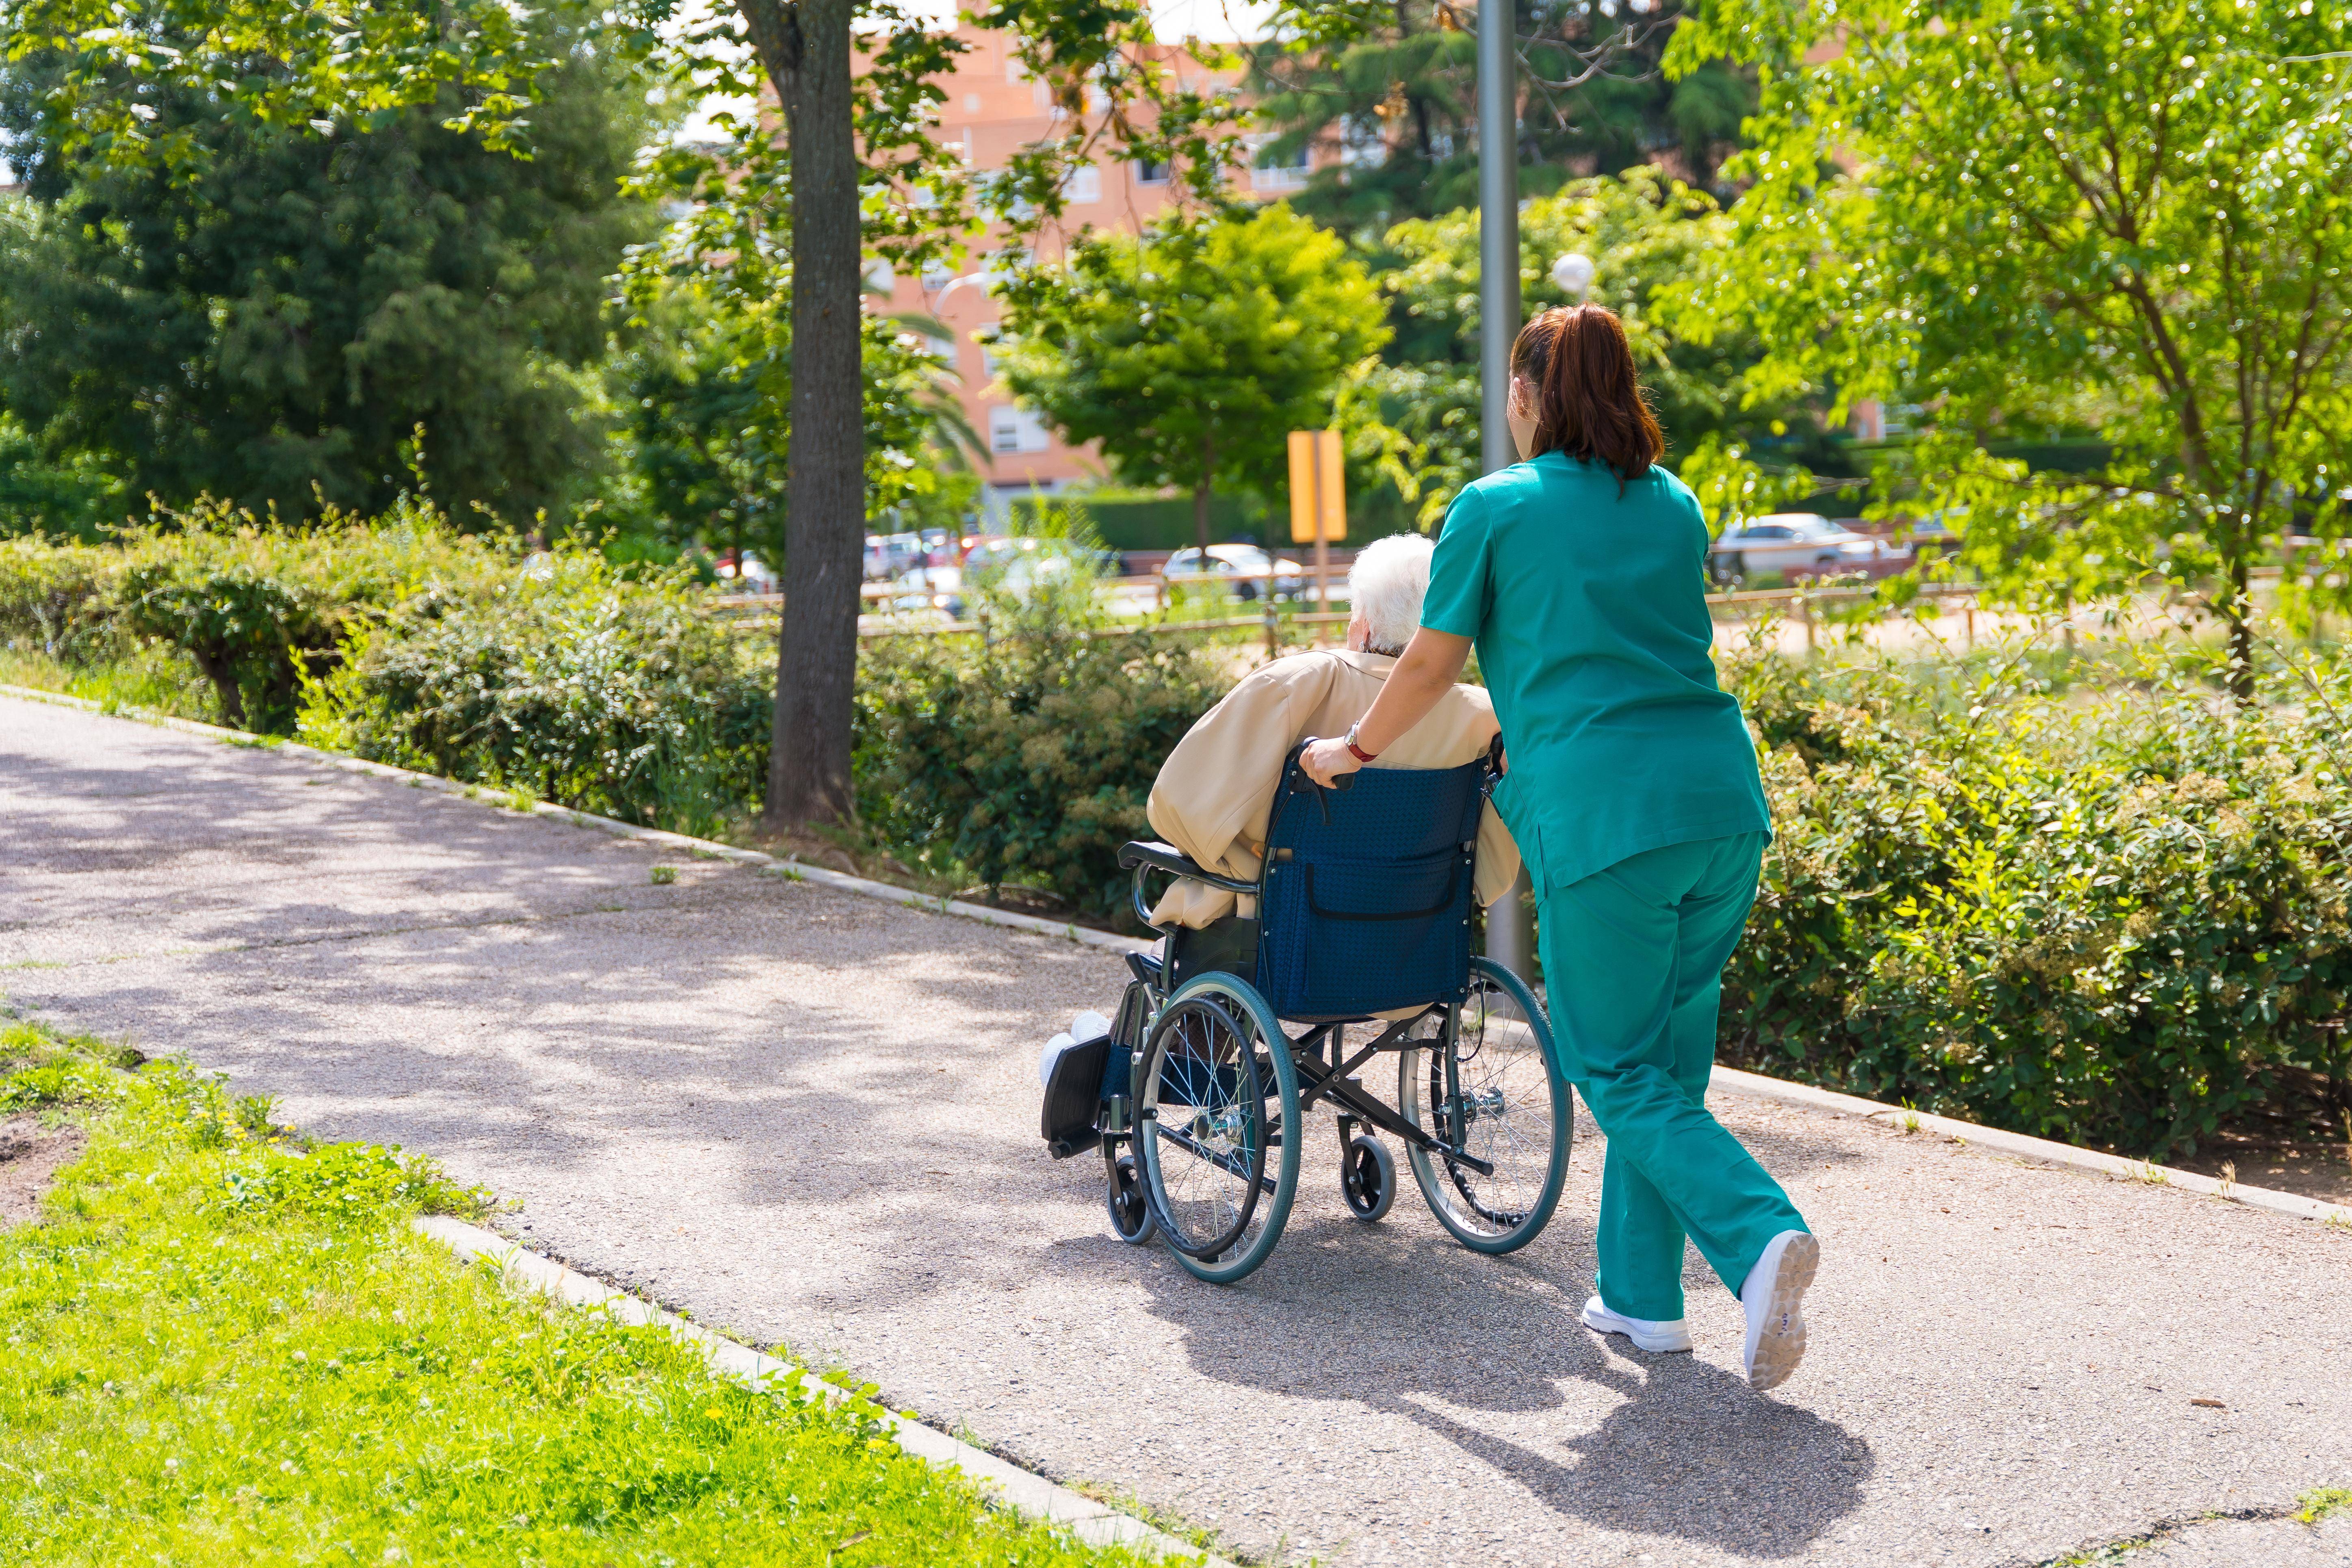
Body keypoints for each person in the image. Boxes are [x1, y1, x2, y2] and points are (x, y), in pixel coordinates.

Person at [1299, 304, 1817, 1393]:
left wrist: (1350, 748)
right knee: (1662, 1063)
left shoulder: (1491, 507)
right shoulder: (1673, 505)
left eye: (1508, 389)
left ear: (1527, 396)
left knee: (1611, 1062)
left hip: (1605, 820)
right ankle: (1639, 1299)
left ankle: (1758, 1232)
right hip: (1719, 805)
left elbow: (1432, 664)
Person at [1144, 534, 1521, 942]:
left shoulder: (1295, 685)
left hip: (1285, 937)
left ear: (1361, 625)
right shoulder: (1487, 716)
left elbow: (1179, 807)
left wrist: (1248, 858)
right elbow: (1492, 873)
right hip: (1414, 940)